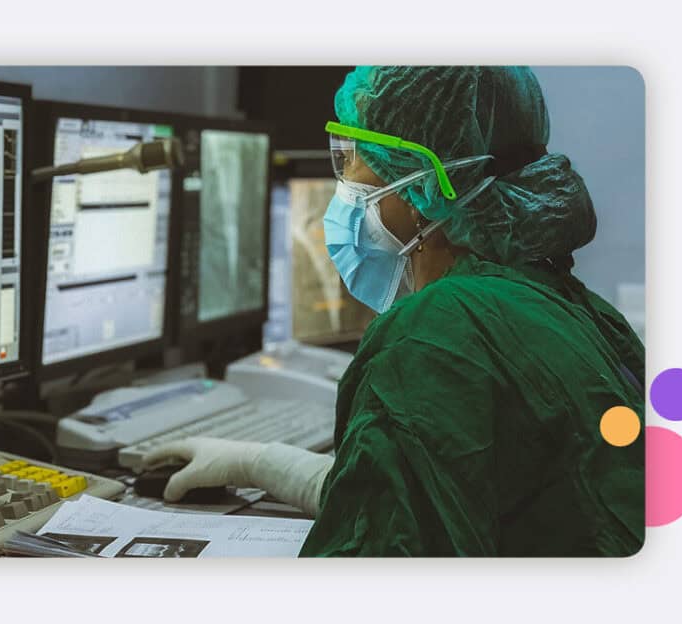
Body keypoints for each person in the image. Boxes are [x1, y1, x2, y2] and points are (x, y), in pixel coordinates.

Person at [145, 66, 645, 557]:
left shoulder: (435, 334)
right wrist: (258, 462)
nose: (344, 181)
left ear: (425, 186)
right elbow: (443, 501)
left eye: (355, 157)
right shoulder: (570, 306)